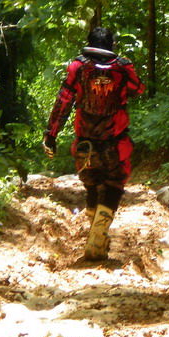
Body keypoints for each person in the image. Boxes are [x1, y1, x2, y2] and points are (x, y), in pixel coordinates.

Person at [42, 27, 145, 260]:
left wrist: (51, 134)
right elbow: (138, 89)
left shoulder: (77, 67)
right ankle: (98, 236)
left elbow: (64, 100)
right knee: (114, 184)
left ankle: (95, 231)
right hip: (115, 143)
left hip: (85, 144)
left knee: (91, 185)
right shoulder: (123, 67)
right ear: (113, 44)